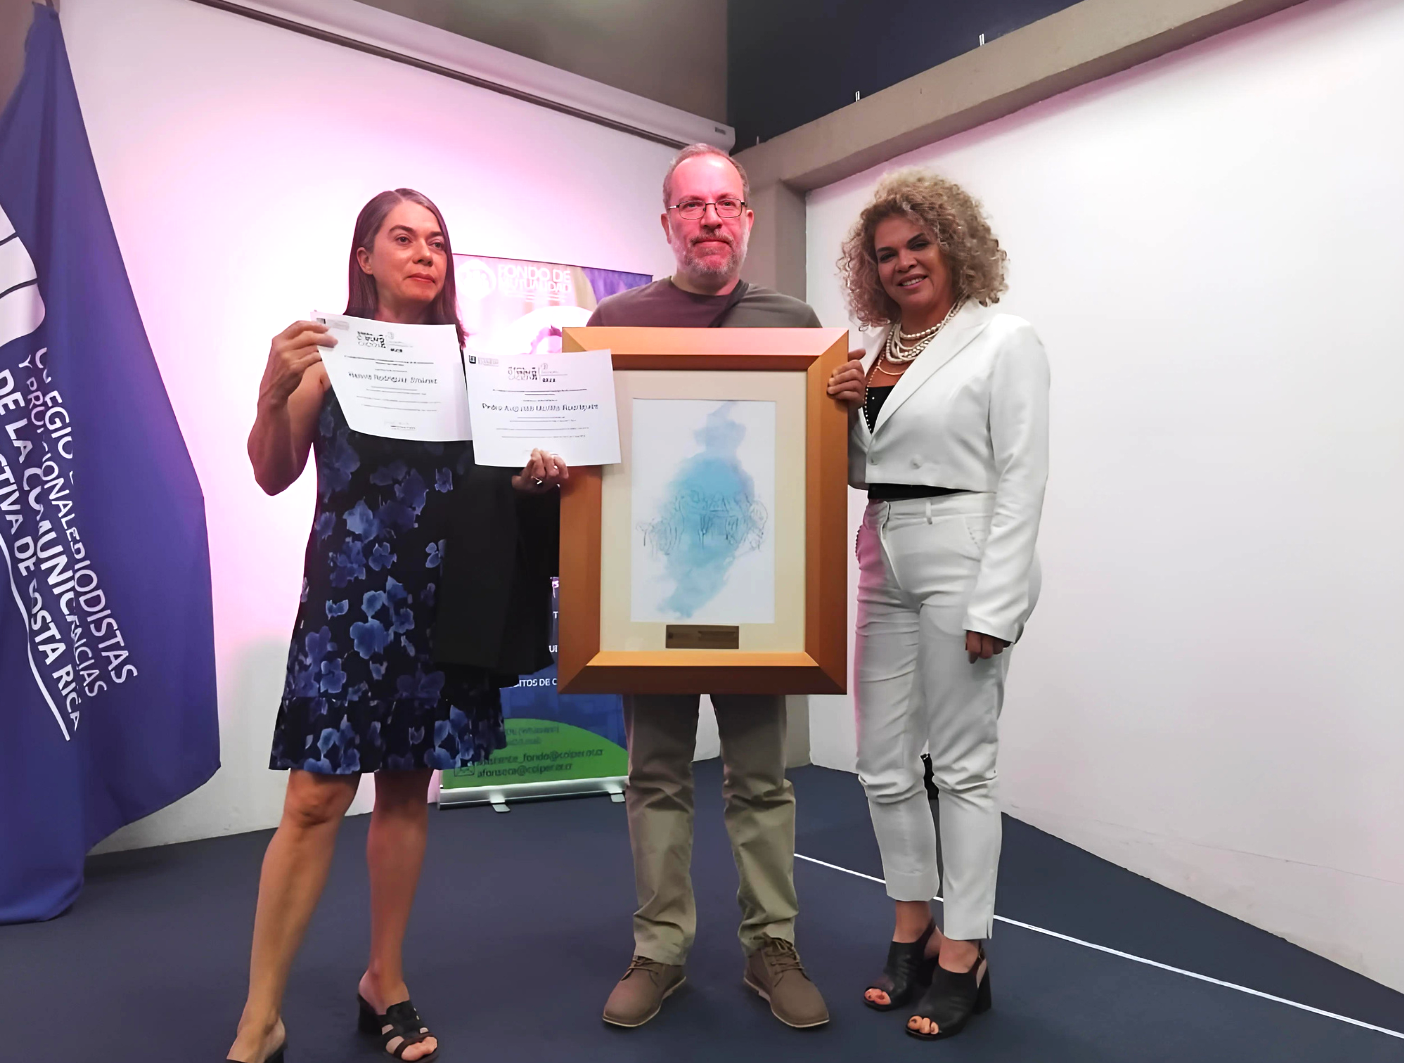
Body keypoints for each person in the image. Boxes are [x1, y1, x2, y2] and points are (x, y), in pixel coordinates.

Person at [227, 189, 567, 1063]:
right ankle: (261, 1014)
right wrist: (272, 392)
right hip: (349, 603)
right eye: (403, 238)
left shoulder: (477, 366)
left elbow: (500, 489)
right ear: (366, 257)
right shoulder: (323, 357)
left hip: (444, 602)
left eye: (439, 241)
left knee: (409, 790)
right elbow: (272, 473)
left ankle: (387, 978)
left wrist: (537, 475)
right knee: (313, 797)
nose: (425, 253)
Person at [588, 144, 830, 1031]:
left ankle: (773, 944)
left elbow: (809, 456)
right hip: (650, 597)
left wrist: (841, 403)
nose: (711, 219)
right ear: (667, 222)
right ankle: (661, 950)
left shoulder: (794, 318)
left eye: (725, 203)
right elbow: (592, 459)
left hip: (755, 594)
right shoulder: (616, 319)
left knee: (760, 777)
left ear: (749, 217)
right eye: (692, 205)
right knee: (655, 775)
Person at [825, 168, 1049, 1041]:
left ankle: (964, 951)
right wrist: (844, 413)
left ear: (955, 243)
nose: (905, 262)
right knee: (880, 760)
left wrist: (1001, 599)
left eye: (920, 242)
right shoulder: (871, 348)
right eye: (886, 253)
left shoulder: (1004, 339)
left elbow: (1024, 477)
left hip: (965, 547)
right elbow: (861, 469)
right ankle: (910, 922)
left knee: (961, 765)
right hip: (882, 547)